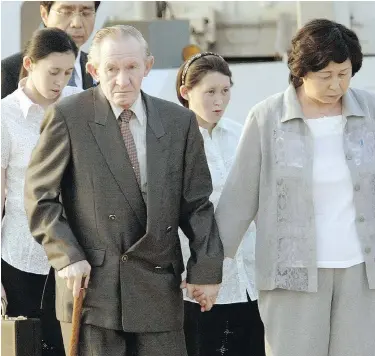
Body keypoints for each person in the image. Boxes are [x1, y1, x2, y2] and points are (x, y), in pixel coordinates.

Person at [24, 25, 223, 356]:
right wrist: (66, 256)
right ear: (93, 70)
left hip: (158, 287)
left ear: (147, 65)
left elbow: (197, 204)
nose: (122, 80)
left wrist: (206, 271)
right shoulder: (68, 116)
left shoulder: (179, 122)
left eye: (132, 67)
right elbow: (39, 197)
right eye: (111, 69)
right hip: (92, 289)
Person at [215, 18, 375, 356]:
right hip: (291, 274)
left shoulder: (374, 111)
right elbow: (238, 199)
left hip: (365, 272)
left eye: (344, 74)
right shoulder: (267, 117)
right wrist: (208, 271)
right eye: (325, 76)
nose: (336, 85)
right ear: (301, 71)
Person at [175, 52, 265, 356]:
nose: (219, 101)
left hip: (250, 278)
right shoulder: (173, 143)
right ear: (186, 93)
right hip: (198, 281)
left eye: (225, 91)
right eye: (210, 92)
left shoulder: (242, 135)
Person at [1, 27, 81, 355]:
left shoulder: (81, 105)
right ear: (30, 63)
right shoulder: (5, 116)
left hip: (77, 256)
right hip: (21, 257)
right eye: (53, 72)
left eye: (67, 72)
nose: (60, 82)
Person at [1, 1, 100, 98]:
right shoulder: (9, 70)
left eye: (86, 13)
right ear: (44, 14)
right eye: (66, 12)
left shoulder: (99, 68)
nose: (77, 23)